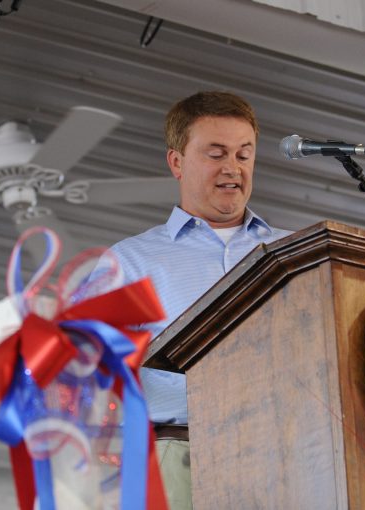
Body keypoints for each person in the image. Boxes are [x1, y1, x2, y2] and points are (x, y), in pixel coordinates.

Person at [103, 91, 292, 509]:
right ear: (176, 162)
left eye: (244, 155)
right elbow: (93, 366)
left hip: (290, 457)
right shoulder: (130, 261)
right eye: (216, 153)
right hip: (178, 457)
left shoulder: (299, 252)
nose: (233, 168)